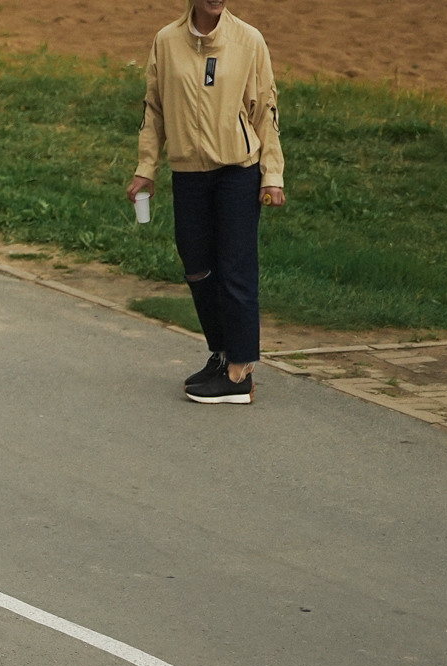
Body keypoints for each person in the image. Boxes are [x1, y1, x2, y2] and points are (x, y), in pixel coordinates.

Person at [127, 0, 285, 404]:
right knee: (197, 266)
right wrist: (147, 166)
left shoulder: (249, 40)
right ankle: (222, 352)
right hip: (189, 173)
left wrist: (272, 174)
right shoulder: (166, 41)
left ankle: (240, 371)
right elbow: (154, 108)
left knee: (235, 267)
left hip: (238, 170)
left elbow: (265, 109)